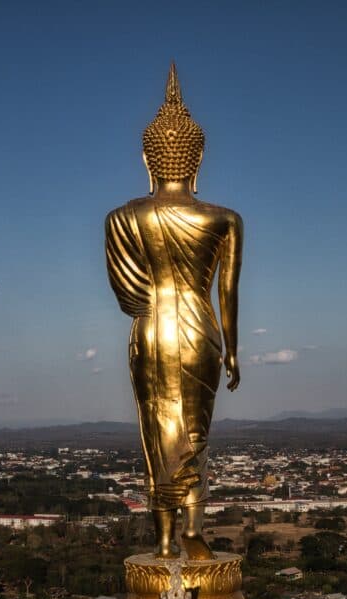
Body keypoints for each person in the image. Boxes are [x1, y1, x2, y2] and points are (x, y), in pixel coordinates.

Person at [105, 63, 242, 561]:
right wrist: (233, 352)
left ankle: (163, 539)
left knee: (157, 432)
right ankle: (190, 530)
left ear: (148, 158)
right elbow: (227, 295)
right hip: (202, 332)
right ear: (197, 157)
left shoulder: (122, 219)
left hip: (150, 332)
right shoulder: (224, 220)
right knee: (195, 436)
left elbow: (128, 295)